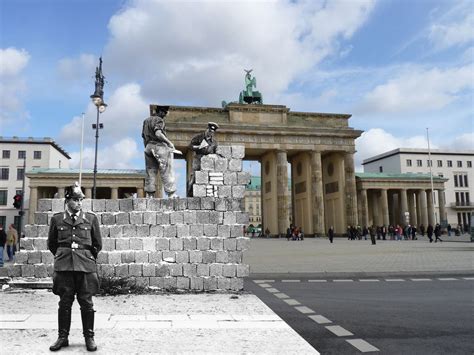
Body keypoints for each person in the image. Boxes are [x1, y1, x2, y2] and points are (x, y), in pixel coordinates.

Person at [47, 182, 102, 352]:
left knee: (87, 303)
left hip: (85, 267)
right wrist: (63, 256)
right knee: (64, 303)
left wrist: (85, 257)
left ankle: (89, 337)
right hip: (64, 267)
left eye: (81, 200)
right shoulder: (57, 219)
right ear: (68, 200)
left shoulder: (91, 218)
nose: (79, 203)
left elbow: (97, 244)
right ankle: (62, 337)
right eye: (76, 199)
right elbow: (52, 244)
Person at [142, 105, 178, 198]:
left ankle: (150, 195)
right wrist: (169, 143)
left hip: (148, 147)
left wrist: (147, 147)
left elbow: (143, 136)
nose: (165, 115)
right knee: (166, 169)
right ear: (161, 112)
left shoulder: (146, 121)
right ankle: (171, 193)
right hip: (159, 146)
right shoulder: (159, 120)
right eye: (165, 113)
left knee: (150, 171)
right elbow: (158, 133)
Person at [187, 122, 219, 196]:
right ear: (207, 129)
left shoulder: (214, 142)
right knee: (194, 177)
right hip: (198, 159)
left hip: (208, 161)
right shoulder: (199, 137)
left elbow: (215, 153)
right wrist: (197, 147)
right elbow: (190, 146)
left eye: (212, 132)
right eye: (210, 131)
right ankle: (190, 193)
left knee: (209, 178)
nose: (210, 133)